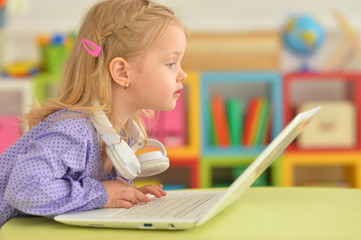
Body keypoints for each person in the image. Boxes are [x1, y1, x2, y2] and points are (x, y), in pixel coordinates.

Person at [0, 0, 187, 227]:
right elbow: (23, 188)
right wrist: (102, 194)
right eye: (171, 63)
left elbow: (82, 192)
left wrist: (124, 193)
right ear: (121, 72)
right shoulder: (74, 129)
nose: (183, 74)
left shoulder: (121, 133)